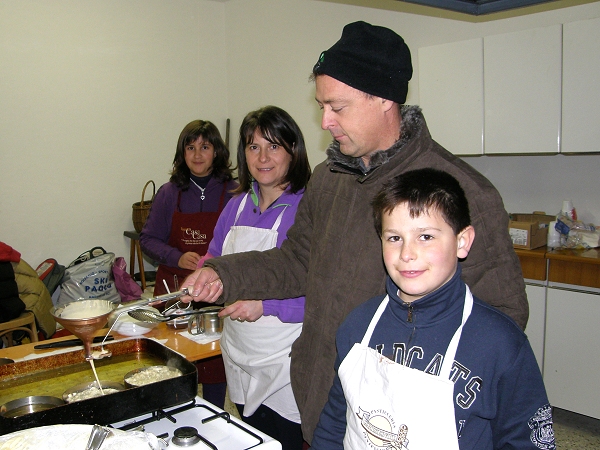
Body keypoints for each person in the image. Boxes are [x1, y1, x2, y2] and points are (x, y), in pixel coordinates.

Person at [181, 21, 528, 443]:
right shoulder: (329, 180)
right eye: (321, 105)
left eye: (337, 107)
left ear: (384, 99)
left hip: (402, 419)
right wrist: (224, 274)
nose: (324, 120)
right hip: (321, 395)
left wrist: (416, 384)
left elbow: (503, 315)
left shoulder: (460, 190)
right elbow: (296, 261)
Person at [311, 169, 554, 449]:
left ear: (462, 242)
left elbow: (527, 442)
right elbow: (335, 422)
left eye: (425, 236)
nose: (407, 254)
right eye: (394, 238)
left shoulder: (501, 344)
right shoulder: (358, 325)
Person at [199, 106, 310, 450]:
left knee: (283, 442)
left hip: (283, 363)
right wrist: (202, 278)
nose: (262, 157)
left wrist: (265, 305)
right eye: (253, 147)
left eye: (273, 146)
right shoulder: (236, 205)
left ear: (293, 151)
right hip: (239, 353)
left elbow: (318, 291)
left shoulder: (305, 210)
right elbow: (214, 257)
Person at [140, 119, 237, 409]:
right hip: (174, 292)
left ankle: (216, 413)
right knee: (173, 363)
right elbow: (147, 239)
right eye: (190, 147)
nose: (197, 154)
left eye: (205, 147)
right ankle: (178, 415)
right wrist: (176, 256)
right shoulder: (169, 193)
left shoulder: (235, 191)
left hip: (216, 293)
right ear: (182, 153)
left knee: (215, 362)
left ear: (217, 152)